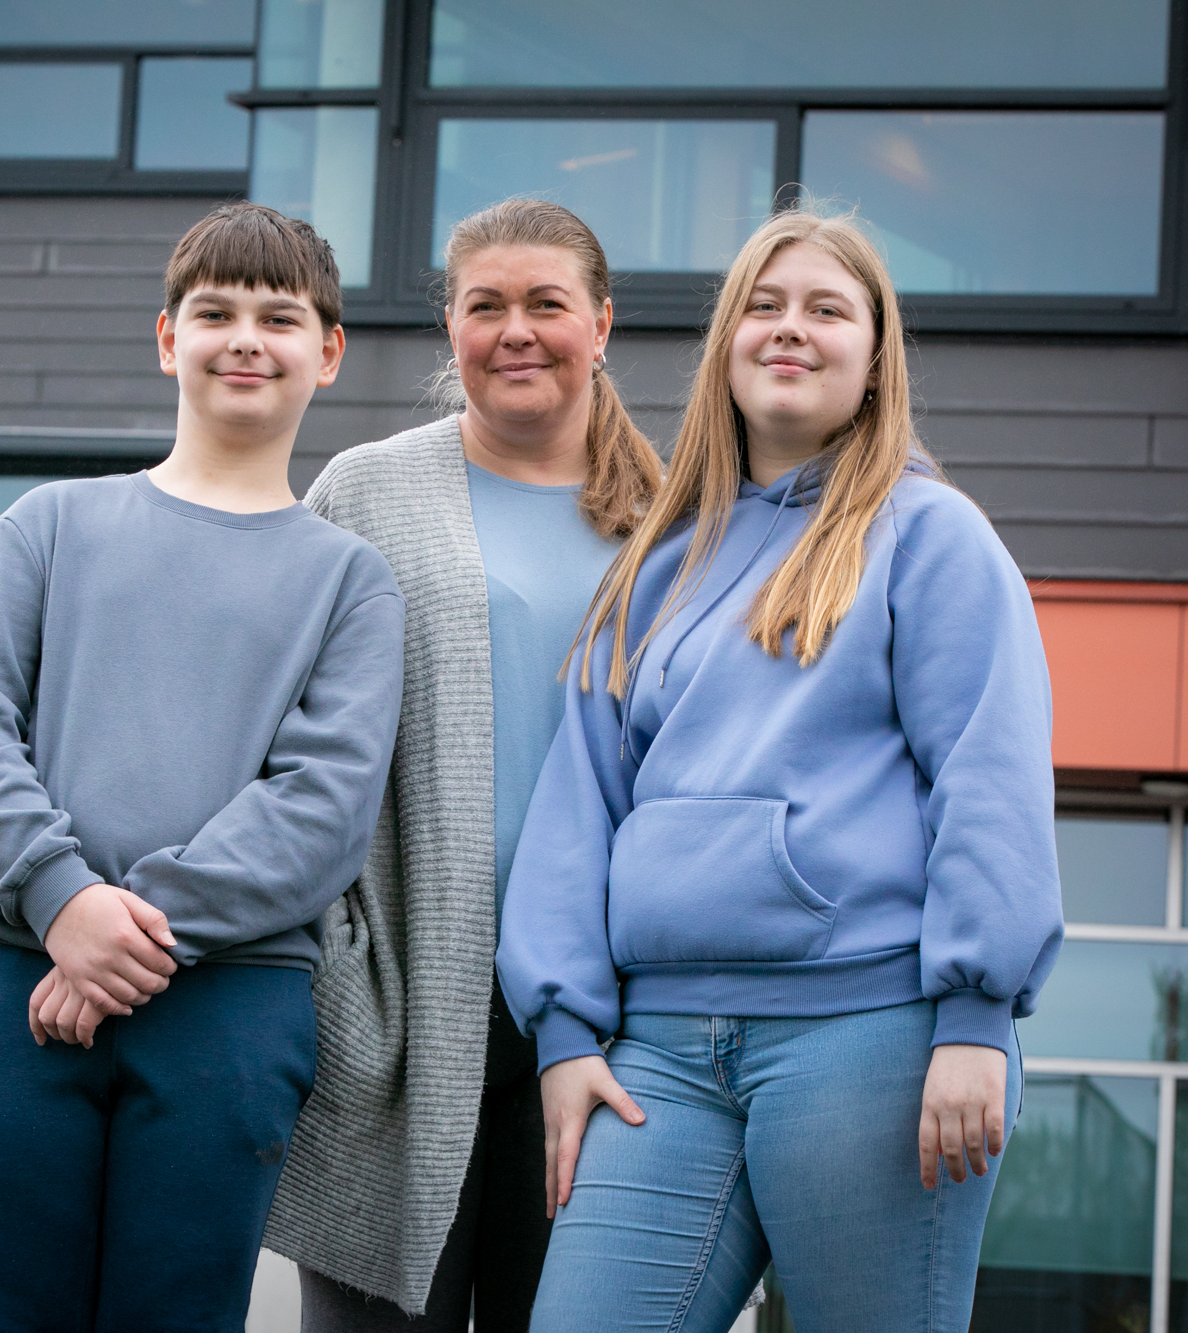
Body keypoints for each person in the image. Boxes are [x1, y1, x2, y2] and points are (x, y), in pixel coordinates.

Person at [498, 207, 1063, 1332]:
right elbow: (578, 805)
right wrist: (561, 1036)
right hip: (657, 1057)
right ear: (726, 346)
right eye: (763, 306)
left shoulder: (931, 536)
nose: (789, 328)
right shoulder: (656, 562)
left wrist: (974, 1016)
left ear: (874, 360)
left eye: (826, 309)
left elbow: (988, 781)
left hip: (870, 1038)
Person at [0, 202, 406, 1332]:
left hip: (227, 1005)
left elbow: (322, 809)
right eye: (215, 313)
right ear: (166, 338)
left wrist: (125, 936)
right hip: (8, 977)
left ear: (328, 351)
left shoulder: (349, 581)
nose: (245, 339)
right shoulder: (48, 526)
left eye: (279, 318)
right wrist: (60, 901)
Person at [264, 199, 663, 1330]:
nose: (515, 331)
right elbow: (277, 738)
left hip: (607, 1024)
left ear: (600, 323)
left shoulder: (673, 515)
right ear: (450, 325)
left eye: (546, 303)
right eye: (485, 305)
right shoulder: (364, 492)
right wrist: (335, 974)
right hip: (401, 1014)